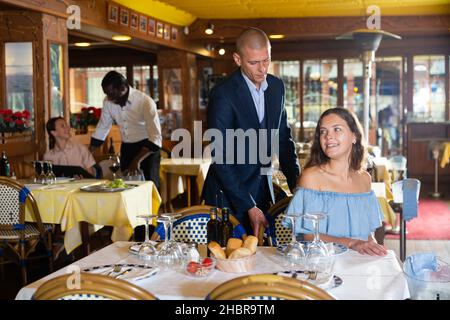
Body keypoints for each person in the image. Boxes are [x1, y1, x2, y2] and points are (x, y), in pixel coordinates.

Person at [202, 27, 300, 237]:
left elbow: (283, 140)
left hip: (262, 189)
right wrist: (248, 205)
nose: (262, 69)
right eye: (253, 62)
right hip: (227, 196)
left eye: (266, 60)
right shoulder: (223, 94)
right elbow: (221, 157)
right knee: (230, 262)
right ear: (237, 59)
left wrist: (299, 189)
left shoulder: (276, 87)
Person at [286, 107, 387, 256]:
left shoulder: (365, 179)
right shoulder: (311, 178)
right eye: (323, 131)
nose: (328, 137)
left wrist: (371, 244)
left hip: (359, 262)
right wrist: (353, 243)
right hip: (323, 263)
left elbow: (367, 232)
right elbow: (309, 236)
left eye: (337, 130)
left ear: (354, 136)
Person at [89, 71, 162, 189]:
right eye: (106, 94)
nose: (109, 98)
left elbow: (156, 138)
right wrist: (88, 154)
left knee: (149, 187)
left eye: (111, 94)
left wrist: (136, 161)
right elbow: (103, 127)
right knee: (127, 187)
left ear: (123, 88)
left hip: (147, 149)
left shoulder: (145, 102)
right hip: (127, 148)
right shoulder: (108, 101)